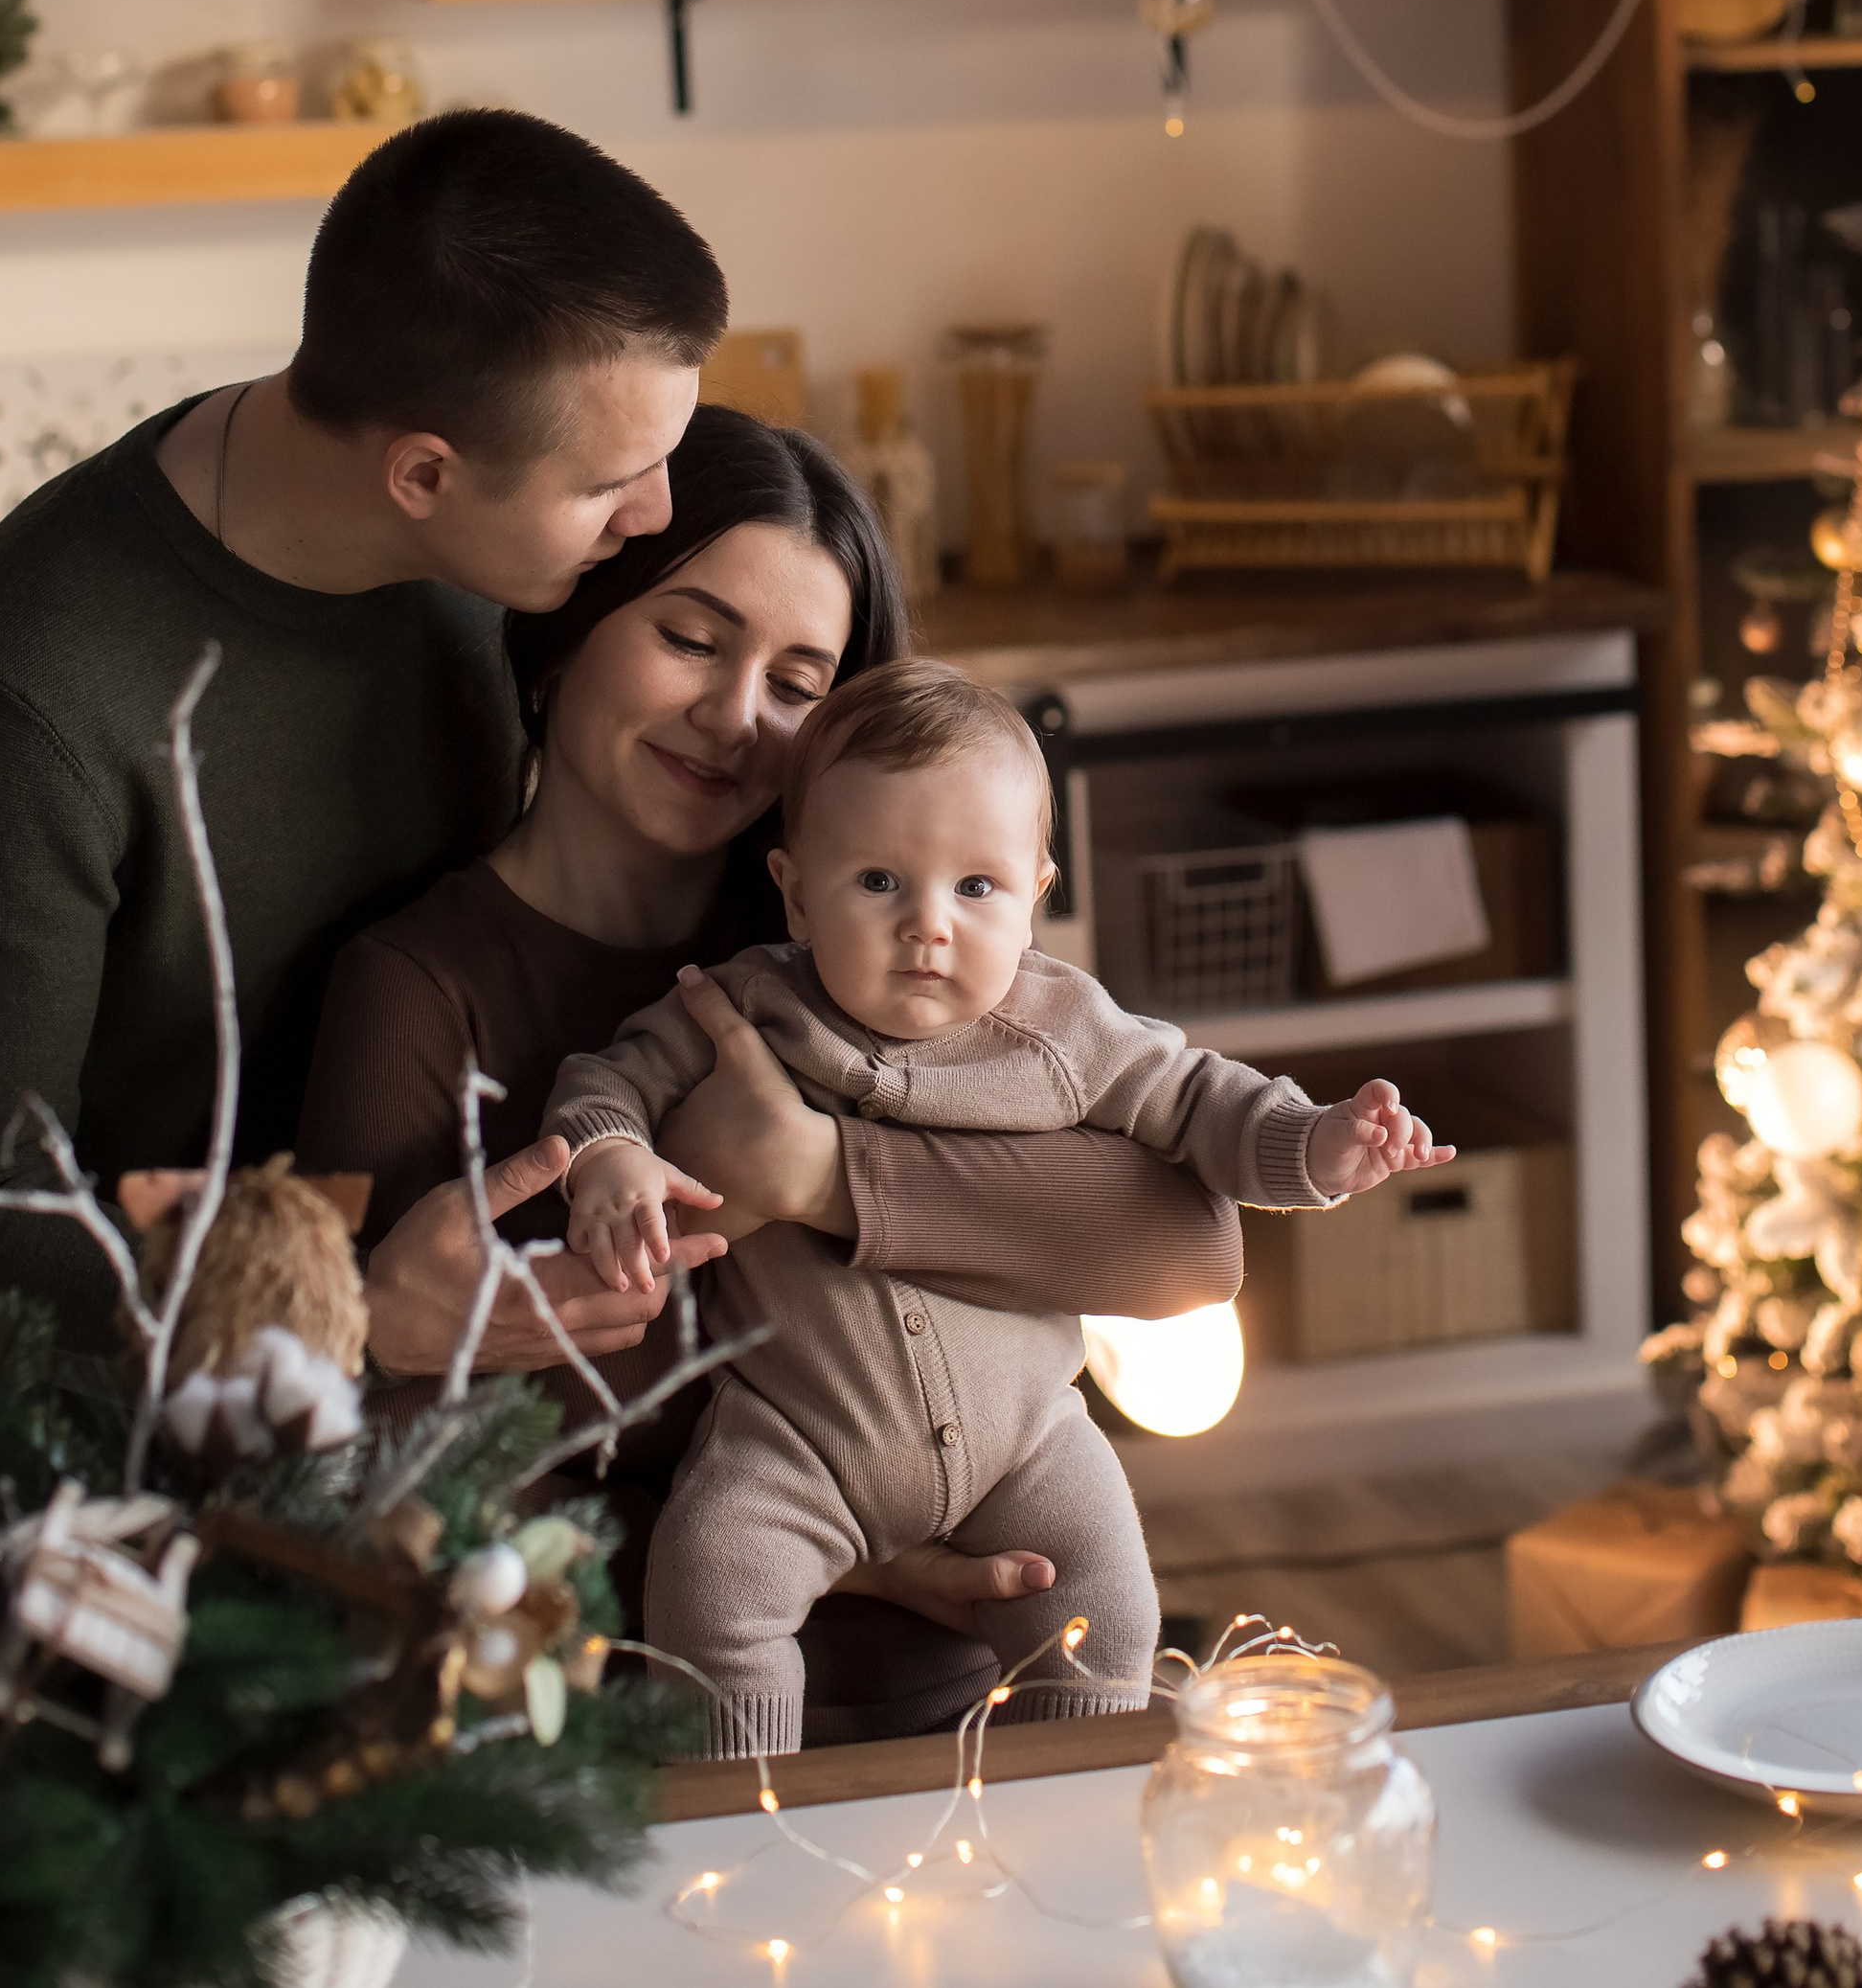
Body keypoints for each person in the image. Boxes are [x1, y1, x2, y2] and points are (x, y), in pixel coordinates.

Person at [296, 405, 1245, 1746]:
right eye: (690, 636)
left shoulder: (882, 940)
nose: (738, 716)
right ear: (569, 622)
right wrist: (846, 1543)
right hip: (609, 1732)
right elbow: (366, 1460)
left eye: (800, 682)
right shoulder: (416, 986)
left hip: (960, 1688)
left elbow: (1189, 1253)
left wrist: (815, 1172)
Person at [0, 106, 725, 1347]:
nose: (659, 511)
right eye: (605, 484)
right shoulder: (15, 692)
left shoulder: (510, 551)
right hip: (151, 1458)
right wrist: (353, 1318)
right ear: (420, 474)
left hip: (501, 1362)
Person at [546, 655, 1452, 1756]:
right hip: (794, 1437)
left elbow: (1202, 1100)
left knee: (1108, 1606)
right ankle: (746, 1819)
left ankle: (1063, 1803)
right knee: (714, 1589)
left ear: (1036, 892)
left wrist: (1317, 1142)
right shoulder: (746, 1006)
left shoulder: (1064, 1026)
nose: (927, 925)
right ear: (794, 889)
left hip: (1025, 1440)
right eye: (877, 881)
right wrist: (611, 1155)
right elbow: (609, 1077)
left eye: (974, 888)